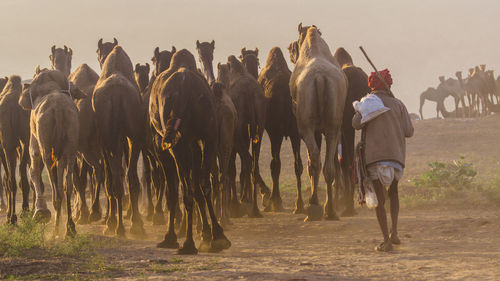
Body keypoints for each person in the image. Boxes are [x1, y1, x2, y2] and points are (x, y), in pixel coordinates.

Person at [352, 69, 414, 252]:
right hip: (396, 158)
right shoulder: (398, 104)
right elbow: (409, 131)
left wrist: (362, 108)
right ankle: (394, 233)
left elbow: (355, 124)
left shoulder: (368, 103)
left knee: (380, 198)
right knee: (393, 194)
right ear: (389, 85)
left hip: (375, 158)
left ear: (372, 86)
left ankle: (386, 240)